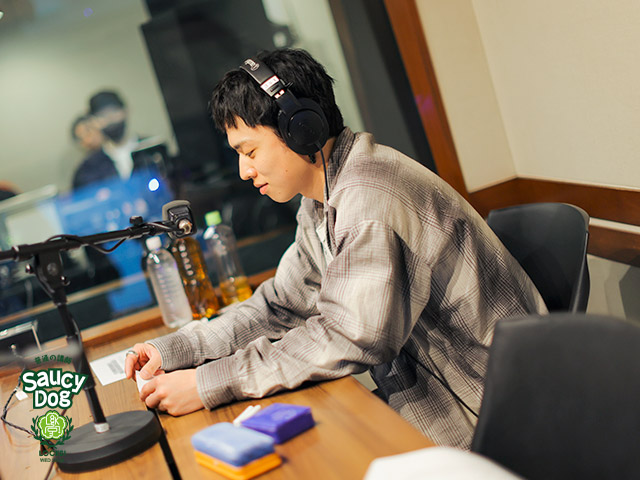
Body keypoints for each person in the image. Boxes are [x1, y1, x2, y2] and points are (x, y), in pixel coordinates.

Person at [125, 48, 547, 449]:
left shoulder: (369, 199)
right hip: (445, 410)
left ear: (300, 130)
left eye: (249, 151)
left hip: (496, 420)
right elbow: (282, 305)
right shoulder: (323, 199)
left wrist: (208, 383)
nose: (243, 171)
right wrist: (178, 349)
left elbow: (350, 335)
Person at [72, 90, 140, 190]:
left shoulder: (152, 149)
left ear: (126, 111)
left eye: (114, 111)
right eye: (102, 115)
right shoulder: (88, 169)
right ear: (93, 121)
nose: (110, 119)